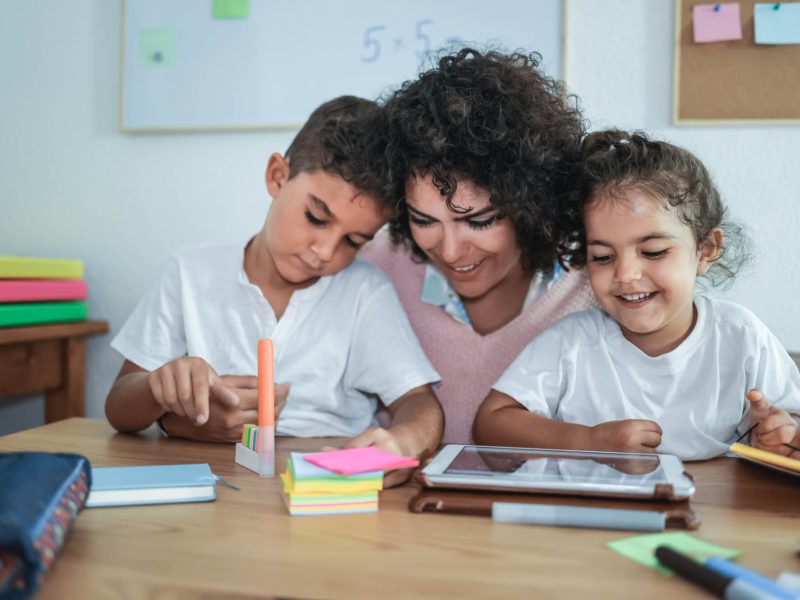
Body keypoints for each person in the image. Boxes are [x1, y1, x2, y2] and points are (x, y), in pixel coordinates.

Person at [105, 96, 444, 480]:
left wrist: (402, 443)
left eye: (353, 241)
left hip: (323, 485)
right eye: (316, 217)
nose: (324, 251)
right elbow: (119, 409)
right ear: (277, 176)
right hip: (211, 482)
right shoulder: (190, 272)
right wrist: (158, 389)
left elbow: (421, 404)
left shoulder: (363, 292)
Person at [473, 130, 800, 461]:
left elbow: (791, 424)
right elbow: (491, 423)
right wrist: (588, 442)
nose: (625, 275)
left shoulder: (741, 336)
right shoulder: (571, 343)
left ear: (705, 250)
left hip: (714, 509)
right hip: (594, 509)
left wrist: (778, 437)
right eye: (603, 256)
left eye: (653, 251)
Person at [361, 48, 596, 444]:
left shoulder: (596, 282)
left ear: (530, 202)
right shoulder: (378, 266)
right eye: (423, 220)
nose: (450, 251)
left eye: (480, 220)